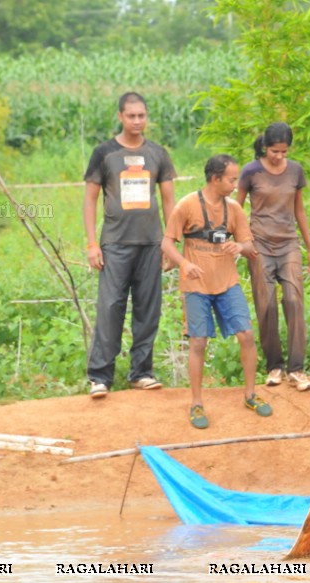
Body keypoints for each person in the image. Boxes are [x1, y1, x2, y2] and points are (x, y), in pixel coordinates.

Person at [161, 154, 272, 429]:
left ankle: (250, 394)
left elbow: (249, 244)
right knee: (198, 342)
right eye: (232, 179)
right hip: (196, 285)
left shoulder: (233, 209)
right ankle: (196, 402)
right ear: (215, 179)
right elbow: (167, 243)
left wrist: (240, 247)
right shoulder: (187, 206)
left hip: (227, 283)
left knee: (246, 335)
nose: (235, 185)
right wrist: (184, 263)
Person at [83, 91, 176, 398]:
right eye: (131, 115)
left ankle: (142, 372)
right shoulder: (104, 153)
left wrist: (170, 243)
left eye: (142, 115)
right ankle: (100, 376)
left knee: (148, 309)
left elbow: (168, 200)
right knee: (110, 307)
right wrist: (91, 244)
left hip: (150, 243)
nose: (137, 121)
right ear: (120, 116)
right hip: (115, 244)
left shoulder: (158, 154)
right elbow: (90, 200)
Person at [235, 122, 310, 392]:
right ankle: (275, 366)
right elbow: (236, 209)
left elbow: (300, 210)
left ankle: (297, 368)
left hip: (288, 244)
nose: (279, 156)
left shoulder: (295, 171)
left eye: (284, 151)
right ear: (265, 147)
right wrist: (239, 242)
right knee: (266, 303)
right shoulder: (251, 171)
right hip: (259, 245)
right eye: (274, 151)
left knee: (294, 299)